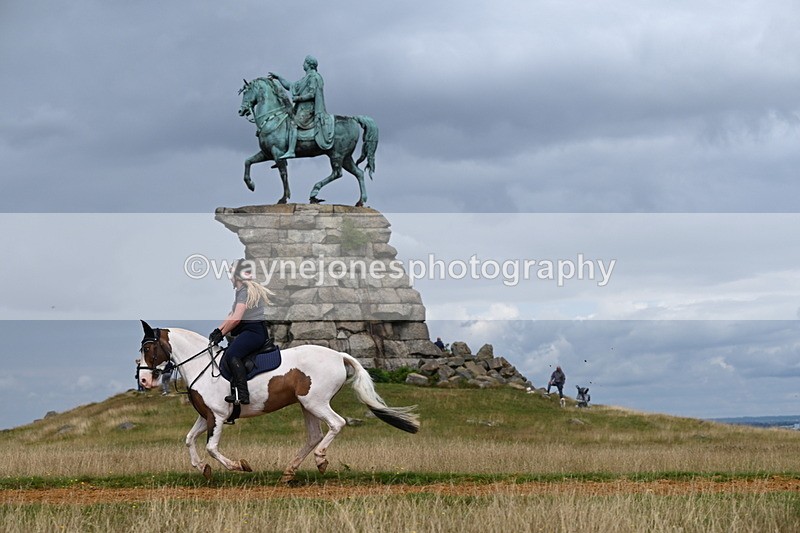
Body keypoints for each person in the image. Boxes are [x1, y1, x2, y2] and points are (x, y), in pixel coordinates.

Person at [209, 259, 273, 405]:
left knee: (232, 354)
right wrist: (218, 331)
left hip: (254, 332)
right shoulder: (241, 291)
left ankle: (242, 394)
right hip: (251, 331)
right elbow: (231, 315)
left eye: (231, 274)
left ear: (236, 276)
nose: (230, 278)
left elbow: (236, 319)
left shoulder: (244, 291)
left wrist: (222, 334)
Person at [268, 55, 334, 159]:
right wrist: (278, 77)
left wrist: (298, 98)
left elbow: (312, 94)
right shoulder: (305, 78)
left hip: (308, 109)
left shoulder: (314, 77)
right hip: (301, 108)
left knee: (293, 123)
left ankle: (291, 151)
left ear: (309, 64)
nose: (302, 64)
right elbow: (290, 86)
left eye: (304, 62)